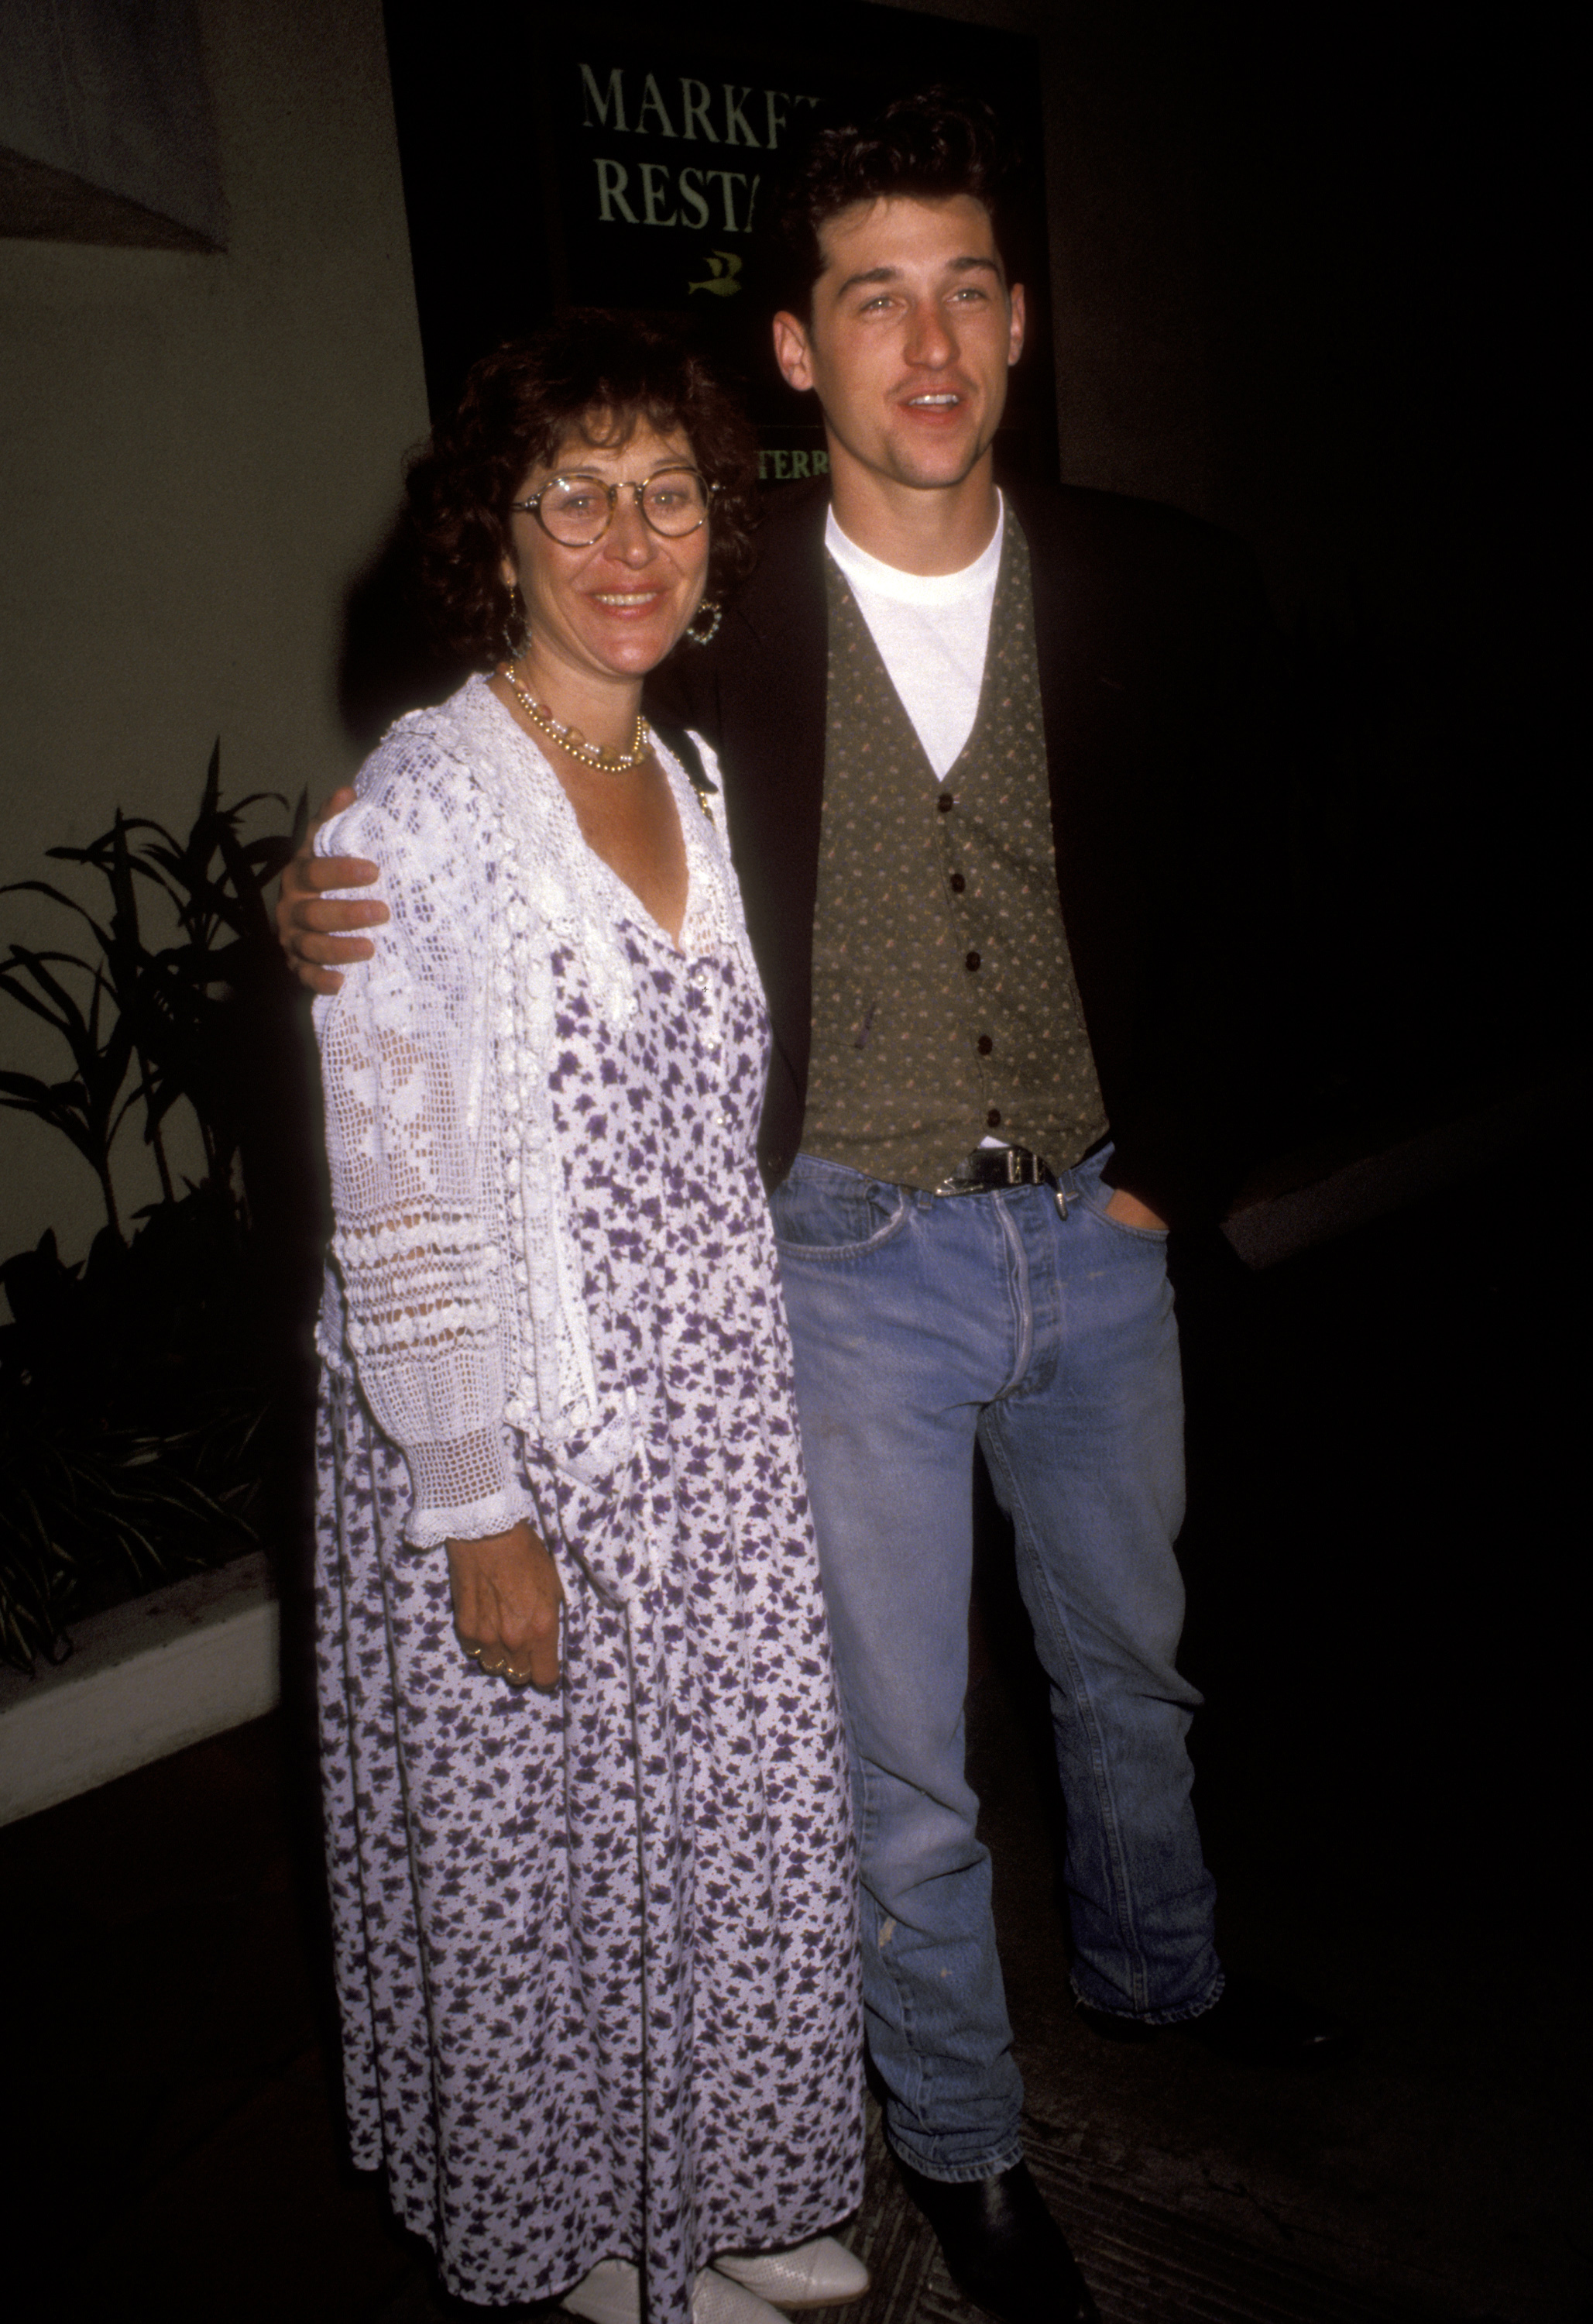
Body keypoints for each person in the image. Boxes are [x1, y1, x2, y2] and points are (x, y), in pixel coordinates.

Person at [286, 95, 1349, 2324]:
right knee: (901, 1766)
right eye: (876, 295)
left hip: (1096, 1230)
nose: (928, 340)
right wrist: (327, 898)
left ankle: (1163, 1986)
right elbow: (497, 782)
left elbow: (1268, 892)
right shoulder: (718, 614)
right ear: (799, 346)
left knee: (1132, 1680)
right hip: (841, 1265)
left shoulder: (1162, 574)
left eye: (966, 286)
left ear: (1020, 319)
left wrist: (1175, 1166)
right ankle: (961, 2149)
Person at [307, 312, 869, 2324]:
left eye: (669, 492)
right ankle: (599, 2243)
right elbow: (397, 1196)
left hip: (710, 1419)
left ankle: (714, 2184)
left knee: (717, 1845)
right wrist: (474, 1507)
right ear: (499, 529)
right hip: (534, 1432)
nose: (628, 538)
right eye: (577, 495)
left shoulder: (690, 768)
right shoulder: (425, 809)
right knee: (562, 1875)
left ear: (718, 525)